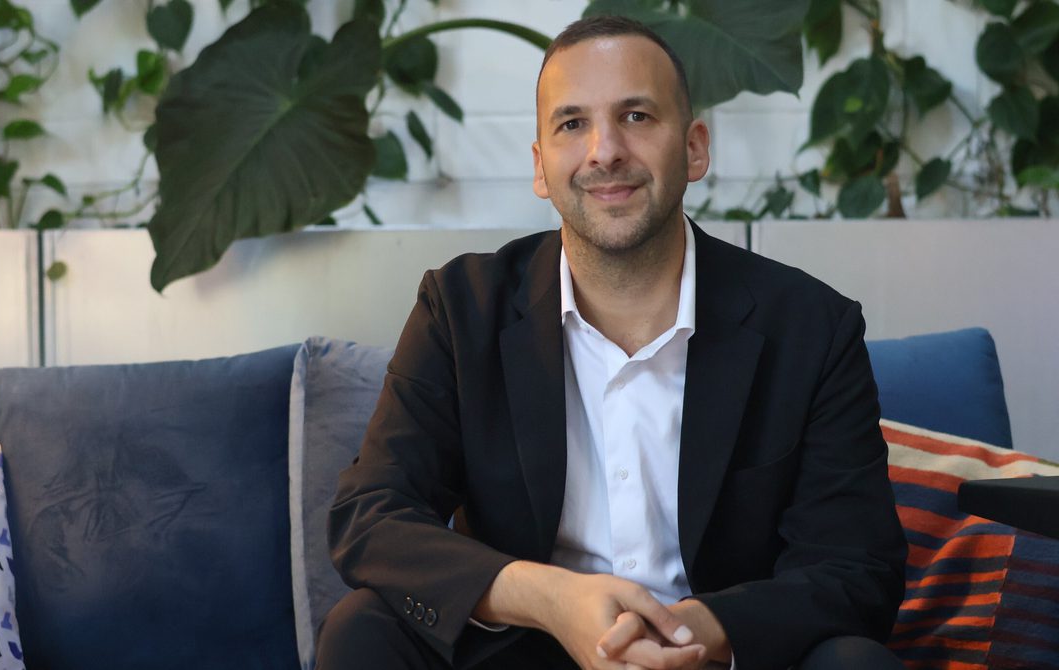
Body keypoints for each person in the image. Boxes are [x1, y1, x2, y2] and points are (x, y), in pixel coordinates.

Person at [318, 15, 907, 670]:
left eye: (636, 116)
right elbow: (371, 515)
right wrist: (548, 598)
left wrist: (696, 629)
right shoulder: (460, 309)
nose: (604, 151)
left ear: (694, 149)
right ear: (541, 167)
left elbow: (857, 566)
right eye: (573, 124)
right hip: (526, 649)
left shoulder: (812, 326)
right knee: (362, 629)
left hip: (715, 654)